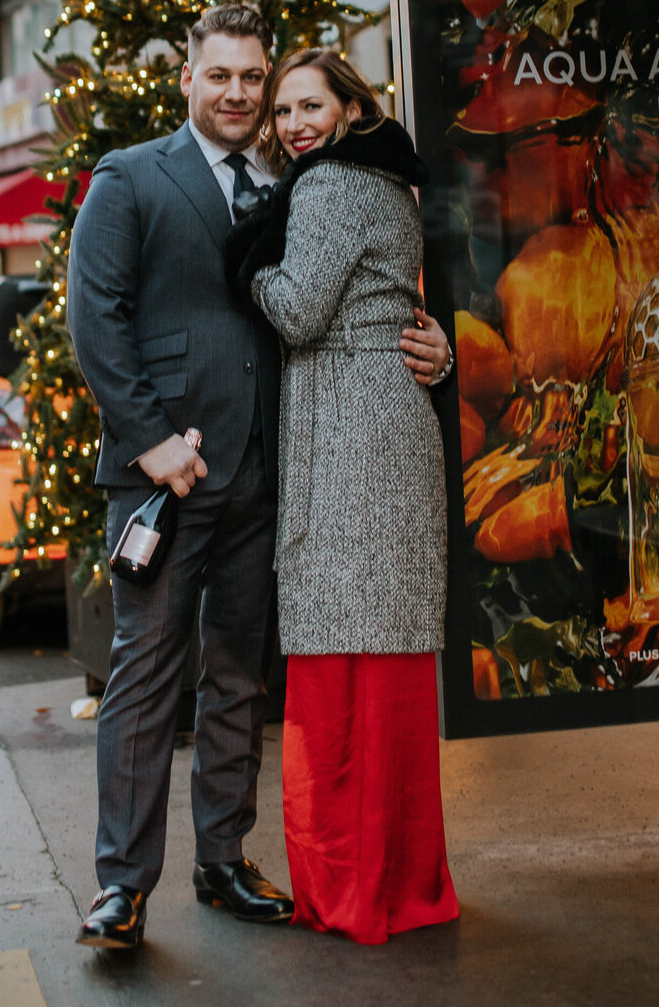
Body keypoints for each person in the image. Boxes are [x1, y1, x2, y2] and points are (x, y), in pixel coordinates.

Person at [65, 4, 449, 950]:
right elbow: (94, 316)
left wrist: (429, 342)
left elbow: (359, 295)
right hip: (167, 478)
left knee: (238, 678)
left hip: (272, 475)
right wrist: (149, 438)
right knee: (146, 676)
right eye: (222, 77)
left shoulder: (302, 175)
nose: (239, 95)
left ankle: (223, 861)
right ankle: (122, 883)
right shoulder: (131, 177)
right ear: (188, 79)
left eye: (253, 80)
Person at [225, 47, 458, 946]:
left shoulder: (324, 187)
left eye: (309, 106)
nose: (293, 126)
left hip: (349, 442)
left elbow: (295, 310)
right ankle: (406, 883)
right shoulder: (387, 183)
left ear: (352, 108)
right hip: (391, 431)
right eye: (282, 112)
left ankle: (350, 891)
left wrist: (247, 260)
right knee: (387, 669)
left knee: (337, 681)